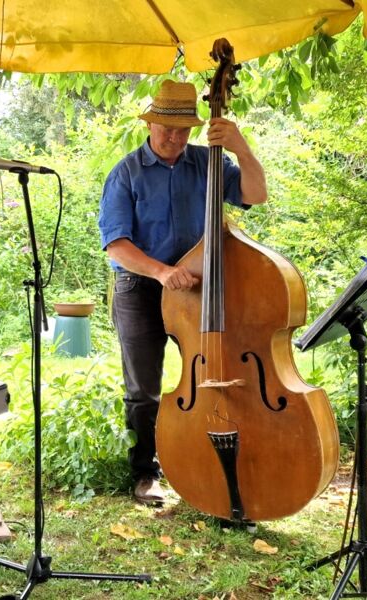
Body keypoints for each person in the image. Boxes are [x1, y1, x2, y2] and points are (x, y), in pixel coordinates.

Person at [98, 80, 267, 505]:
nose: (174, 137)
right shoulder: (126, 172)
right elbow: (116, 245)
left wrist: (241, 149)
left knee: (217, 374)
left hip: (200, 289)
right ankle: (145, 473)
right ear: (150, 124)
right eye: (166, 129)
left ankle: (218, 460)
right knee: (143, 388)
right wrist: (162, 272)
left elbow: (256, 194)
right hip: (140, 287)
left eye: (183, 130)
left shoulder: (208, 162)